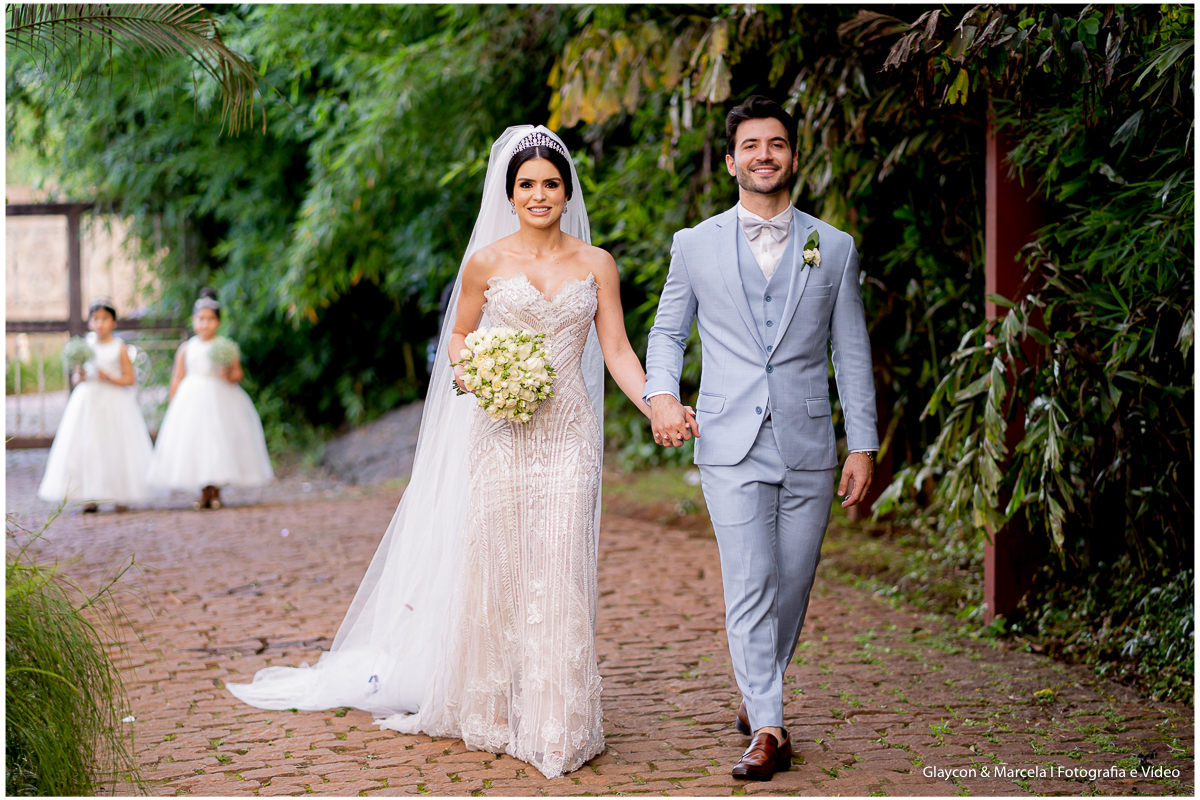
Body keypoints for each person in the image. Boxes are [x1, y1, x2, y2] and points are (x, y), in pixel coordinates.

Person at [226, 126, 694, 779]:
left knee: (559, 564)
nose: (539, 194)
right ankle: (494, 710)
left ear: (567, 191)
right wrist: (481, 374)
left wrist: (658, 406)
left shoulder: (596, 264)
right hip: (500, 432)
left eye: (550, 184)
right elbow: (459, 338)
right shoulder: (486, 263)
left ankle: (558, 722)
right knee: (499, 564)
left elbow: (615, 351)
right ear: (509, 192)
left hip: (568, 435)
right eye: (527, 184)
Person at [643, 95, 880, 781]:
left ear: (793, 157)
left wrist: (861, 442)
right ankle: (770, 725)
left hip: (809, 440)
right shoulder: (693, 245)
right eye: (751, 145)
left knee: (794, 583)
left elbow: (851, 350)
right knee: (750, 580)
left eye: (776, 144)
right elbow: (667, 332)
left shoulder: (832, 247)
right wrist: (662, 393)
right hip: (727, 439)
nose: (764, 155)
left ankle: (756, 687)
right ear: (730, 160)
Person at [146, 288, 273, 509]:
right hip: (192, 400)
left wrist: (227, 374)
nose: (205, 324)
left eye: (210, 319)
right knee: (196, 442)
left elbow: (237, 374)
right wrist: (174, 402)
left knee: (218, 441)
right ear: (194, 321)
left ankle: (216, 490)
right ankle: (202, 490)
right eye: (200, 319)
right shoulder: (187, 348)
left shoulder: (225, 347)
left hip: (220, 399)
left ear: (218, 322)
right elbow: (177, 377)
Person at [38, 297, 156, 511]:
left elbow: (130, 379)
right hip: (88, 401)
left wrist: (109, 377)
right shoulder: (85, 345)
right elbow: (76, 379)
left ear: (114, 322)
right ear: (90, 322)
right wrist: (80, 375)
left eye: (105, 318)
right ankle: (89, 496)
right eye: (95, 319)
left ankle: (120, 494)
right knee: (88, 445)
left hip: (114, 402)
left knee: (116, 445)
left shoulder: (119, 347)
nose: (100, 323)